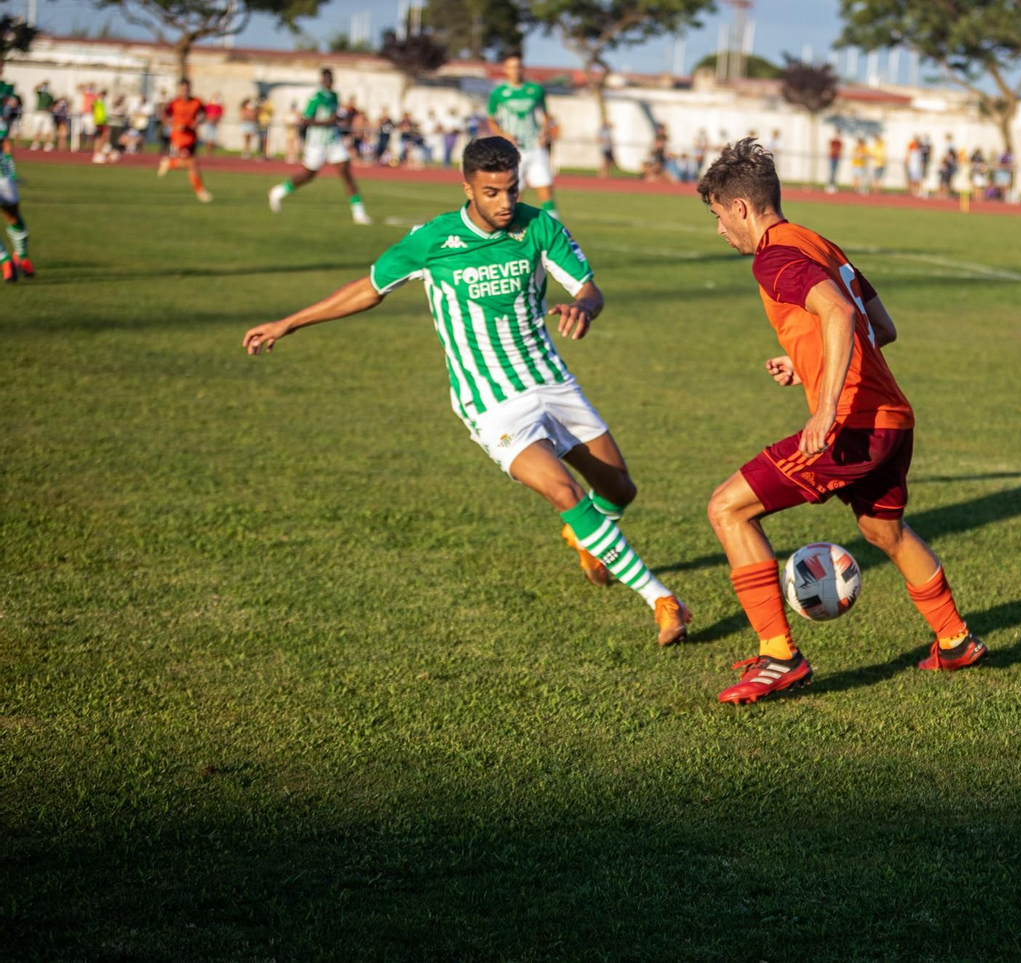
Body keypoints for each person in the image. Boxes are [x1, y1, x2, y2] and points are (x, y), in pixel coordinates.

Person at [242, 135, 691, 644]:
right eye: (492, 192)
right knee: (562, 491)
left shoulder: (540, 225)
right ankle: (662, 599)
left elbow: (588, 288)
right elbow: (369, 288)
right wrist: (290, 322)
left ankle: (589, 537)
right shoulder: (432, 241)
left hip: (550, 380)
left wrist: (583, 308)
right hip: (492, 402)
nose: (504, 203)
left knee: (618, 490)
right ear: (468, 188)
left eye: (511, 191)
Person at [697, 138, 986, 704]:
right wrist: (807, 363)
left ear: (740, 208)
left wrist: (825, 406)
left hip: (853, 423)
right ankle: (954, 639)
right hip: (891, 416)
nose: (719, 230)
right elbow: (882, 326)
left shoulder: (773, 255)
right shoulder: (818, 242)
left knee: (727, 508)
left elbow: (840, 312)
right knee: (883, 531)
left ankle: (779, 657)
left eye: (717, 216)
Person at [267, 69, 371, 225]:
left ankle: (358, 212)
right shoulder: (316, 98)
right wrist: (326, 122)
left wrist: (337, 119)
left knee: (346, 172)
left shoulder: (335, 97)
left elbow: (335, 117)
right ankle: (278, 191)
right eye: (326, 79)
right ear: (322, 81)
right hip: (317, 142)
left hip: (333, 141)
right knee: (308, 175)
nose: (328, 82)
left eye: (331, 79)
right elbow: (305, 119)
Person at [485, 55, 556, 216]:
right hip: (513, 150)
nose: (515, 70)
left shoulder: (535, 90)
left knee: (546, 190)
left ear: (523, 69)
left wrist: (545, 133)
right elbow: (491, 120)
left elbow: (546, 116)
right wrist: (503, 135)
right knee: (514, 192)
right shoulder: (498, 93)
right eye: (511, 67)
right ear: (505, 70)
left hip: (535, 147)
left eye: (518, 66)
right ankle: (516, 231)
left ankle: (554, 229)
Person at [0, 70, 33, 281]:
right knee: (14, 218)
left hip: (2, 176)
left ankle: (7, 261)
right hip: (3, 178)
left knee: (14, 218)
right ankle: (19, 258)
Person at [157, 79, 212, 203]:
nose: (184, 91)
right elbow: (164, 116)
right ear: (178, 90)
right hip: (179, 137)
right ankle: (200, 191)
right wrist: (173, 125)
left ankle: (169, 163)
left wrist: (198, 122)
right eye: (182, 89)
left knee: (192, 164)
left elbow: (204, 115)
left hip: (191, 136)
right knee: (191, 163)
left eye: (186, 89)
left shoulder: (196, 102)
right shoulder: (174, 103)